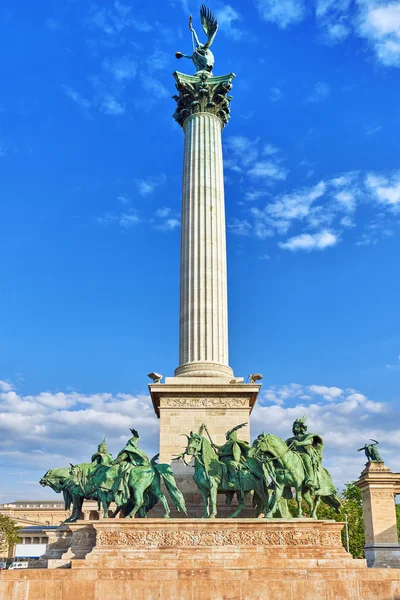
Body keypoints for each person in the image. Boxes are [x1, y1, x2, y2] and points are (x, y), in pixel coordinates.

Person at [285, 416, 323, 490]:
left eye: (297, 427)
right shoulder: (290, 439)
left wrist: (299, 443)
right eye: (294, 427)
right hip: (292, 456)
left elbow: (309, 442)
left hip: (303, 454)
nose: (295, 429)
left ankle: (310, 479)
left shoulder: (307, 436)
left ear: (301, 428)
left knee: (306, 459)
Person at [213, 423, 250, 492]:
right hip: (223, 460)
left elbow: (232, 452)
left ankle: (233, 480)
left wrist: (222, 454)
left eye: (230, 435)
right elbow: (222, 447)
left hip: (231, 460)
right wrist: (216, 446)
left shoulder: (234, 443)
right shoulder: (227, 443)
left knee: (230, 465)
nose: (228, 437)